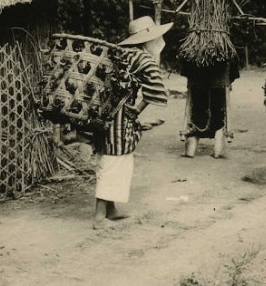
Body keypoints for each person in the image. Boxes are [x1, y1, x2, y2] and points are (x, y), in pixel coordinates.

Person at [92, 16, 170, 230]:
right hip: (118, 119)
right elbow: (156, 87)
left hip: (103, 114)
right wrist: (139, 107)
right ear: (148, 39)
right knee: (115, 161)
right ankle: (99, 217)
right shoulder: (142, 59)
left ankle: (111, 209)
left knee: (111, 158)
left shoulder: (121, 53)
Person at [180, 59, 239, 158]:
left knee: (197, 110)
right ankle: (218, 149)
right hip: (219, 81)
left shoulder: (191, 48)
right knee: (218, 110)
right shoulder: (225, 48)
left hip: (197, 79)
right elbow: (232, 71)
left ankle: (191, 147)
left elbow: (186, 69)